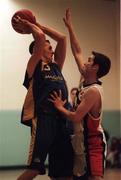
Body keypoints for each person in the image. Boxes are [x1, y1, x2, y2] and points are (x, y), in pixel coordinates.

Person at [49, 8, 111, 180]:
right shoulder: (86, 79)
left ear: (96, 67)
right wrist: (70, 27)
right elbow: (77, 51)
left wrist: (60, 107)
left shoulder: (93, 91)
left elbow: (76, 117)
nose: (85, 61)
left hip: (93, 144)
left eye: (90, 60)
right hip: (80, 141)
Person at [14, 16, 74, 180]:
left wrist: (39, 25)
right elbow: (39, 38)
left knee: (64, 172)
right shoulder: (34, 65)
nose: (53, 50)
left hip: (61, 120)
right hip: (43, 119)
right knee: (34, 169)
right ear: (38, 51)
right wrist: (31, 26)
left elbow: (62, 38)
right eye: (49, 48)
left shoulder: (56, 67)